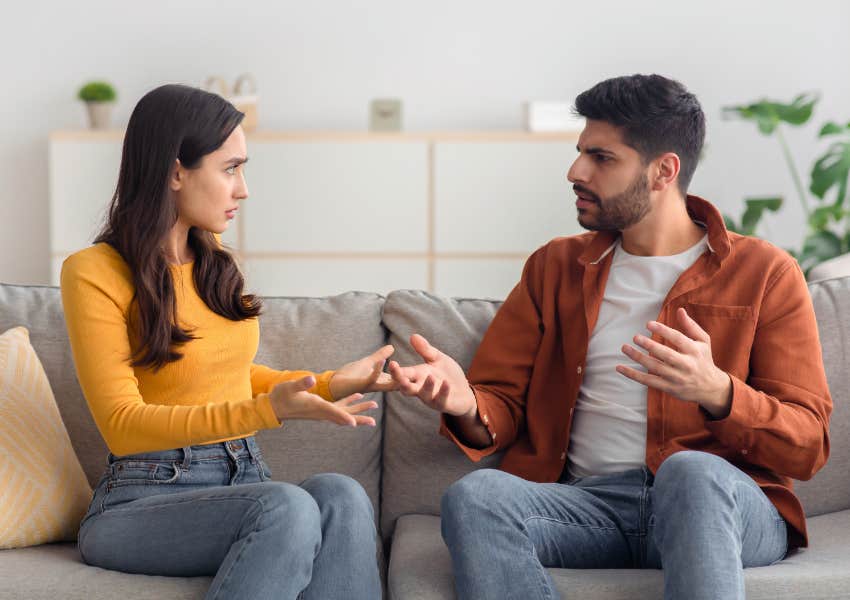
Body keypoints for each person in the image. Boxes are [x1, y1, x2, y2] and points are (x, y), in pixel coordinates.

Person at [388, 74, 832, 600]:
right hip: (588, 506)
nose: (575, 171)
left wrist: (719, 392)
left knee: (690, 473)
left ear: (663, 170)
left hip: (719, 504)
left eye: (601, 158)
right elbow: (499, 404)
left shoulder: (764, 272)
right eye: (580, 153)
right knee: (477, 497)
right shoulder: (555, 267)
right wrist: (465, 402)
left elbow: (807, 445)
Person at [61, 84, 392, 600]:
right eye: (230, 168)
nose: (244, 189)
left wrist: (330, 383)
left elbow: (227, 374)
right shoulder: (94, 272)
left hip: (243, 479)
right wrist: (266, 410)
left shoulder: (216, 263)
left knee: (341, 495)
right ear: (175, 171)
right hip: (141, 499)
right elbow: (123, 427)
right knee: (286, 505)